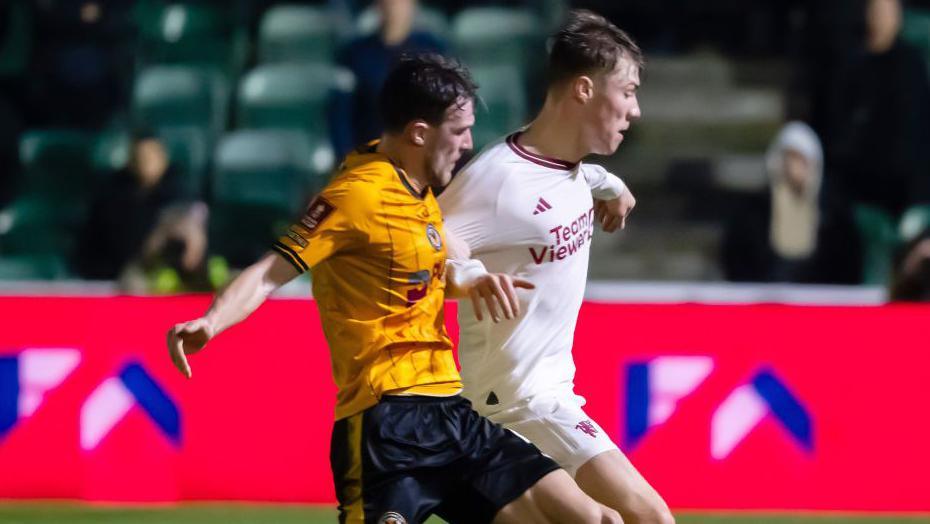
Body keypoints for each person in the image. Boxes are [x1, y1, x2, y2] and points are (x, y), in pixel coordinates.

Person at [167, 54, 620, 524]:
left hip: (450, 409)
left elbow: (422, 270)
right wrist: (211, 321)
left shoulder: (418, 187)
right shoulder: (355, 197)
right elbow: (269, 271)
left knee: (592, 518)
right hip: (386, 422)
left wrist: (471, 278)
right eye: (459, 131)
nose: (468, 145)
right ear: (420, 133)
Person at [438, 10, 675, 524]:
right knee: (649, 518)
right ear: (585, 90)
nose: (635, 109)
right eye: (628, 91)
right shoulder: (496, 182)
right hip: (512, 402)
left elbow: (567, 182)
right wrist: (469, 273)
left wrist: (610, 185)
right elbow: (429, 238)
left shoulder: (567, 168)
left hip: (547, 393)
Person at [329, 0, 448, 158]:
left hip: (421, 159)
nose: (395, 7)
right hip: (370, 158)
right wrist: (347, 159)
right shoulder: (354, 54)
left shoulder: (433, 50)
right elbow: (340, 113)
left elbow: (445, 107)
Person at [75, 129, 185, 280]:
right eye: (139, 157)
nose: (145, 163)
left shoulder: (181, 194)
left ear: (163, 157)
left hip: (163, 282)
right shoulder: (111, 195)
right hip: (110, 281)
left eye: (150, 157)